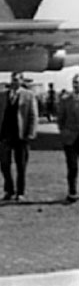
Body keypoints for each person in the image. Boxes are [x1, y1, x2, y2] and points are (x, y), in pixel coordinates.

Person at [0, 72, 39, 202]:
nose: (14, 82)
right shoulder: (2, 96)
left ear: (22, 81)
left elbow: (33, 116)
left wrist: (31, 133)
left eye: (17, 79)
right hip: (5, 134)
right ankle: (9, 190)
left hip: (21, 136)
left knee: (21, 165)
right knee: (4, 164)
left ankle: (20, 192)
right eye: (13, 79)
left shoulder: (29, 96)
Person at [55, 74, 79, 203]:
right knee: (72, 167)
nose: (77, 85)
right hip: (70, 138)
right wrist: (64, 132)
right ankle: (72, 192)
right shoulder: (65, 100)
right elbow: (60, 119)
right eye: (75, 83)